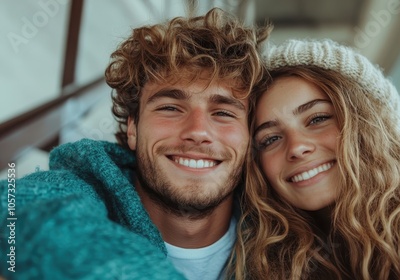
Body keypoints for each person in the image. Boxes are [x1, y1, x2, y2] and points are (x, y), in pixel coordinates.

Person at [0, 8, 270, 280]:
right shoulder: (83, 188)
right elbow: (21, 206)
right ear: (133, 128)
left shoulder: (285, 235)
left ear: (249, 137)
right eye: (170, 108)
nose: (198, 131)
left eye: (223, 113)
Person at [231, 39, 400, 279]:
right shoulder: (263, 249)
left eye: (318, 119)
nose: (297, 147)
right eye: (270, 139)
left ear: (367, 125)